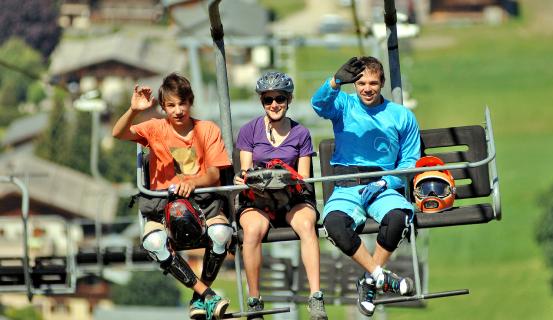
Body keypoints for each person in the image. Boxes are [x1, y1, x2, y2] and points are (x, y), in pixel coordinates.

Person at [112, 73, 233, 320]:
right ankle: (207, 294)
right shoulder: (155, 128)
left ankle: (199, 299)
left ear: (190, 102)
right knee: (154, 242)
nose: (177, 111)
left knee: (221, 234)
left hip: (202, 202)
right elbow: (118, 133)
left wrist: (192, 182)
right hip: (163, 205)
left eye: (182, 104)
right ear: (164, 107)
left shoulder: (207, 130)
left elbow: (213, 175)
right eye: (171, 105)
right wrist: (134, 110)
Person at [310, 57, 421, 316]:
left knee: (397, 217)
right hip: (347, 187)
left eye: (373, 83)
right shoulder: (343, 104)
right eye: (360, 83)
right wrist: (335, 82)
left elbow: (410, 160)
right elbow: (318, 104)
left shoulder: (401, 116)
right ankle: (379, 277)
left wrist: (387, 181)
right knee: (335, 224)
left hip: (382, 185)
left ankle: (370, 281)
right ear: (354, 84)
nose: (367, 89)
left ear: (382, 84)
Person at [234, 71, 328, 320]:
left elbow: (304, 177)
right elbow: (245, 171)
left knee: (307, 225)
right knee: (252, 231)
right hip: (258, 199)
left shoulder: (301, 134)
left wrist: (285, 179)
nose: (274, 104)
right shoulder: (249, 131)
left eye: (280, 99)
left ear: (289, 100)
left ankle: (316, 297)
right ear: (262, 102)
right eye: (268, 100)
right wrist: (247, 179)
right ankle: (255, 301)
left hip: (291, 197)